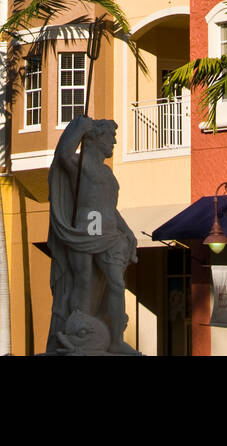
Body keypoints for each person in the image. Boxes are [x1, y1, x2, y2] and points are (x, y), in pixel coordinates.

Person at [45, 114, 138, 354]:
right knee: (83, 280)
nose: (114, 143)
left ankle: (115, 340)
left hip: (107, 229)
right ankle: (78, 333)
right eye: (111, 137)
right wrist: (79, 128)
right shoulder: (79, 164)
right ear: (96, 138)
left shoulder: (108, 174)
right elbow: (62, 155)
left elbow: (110, 208)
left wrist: (127, 231)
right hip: (86, 228)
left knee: (115, 283)